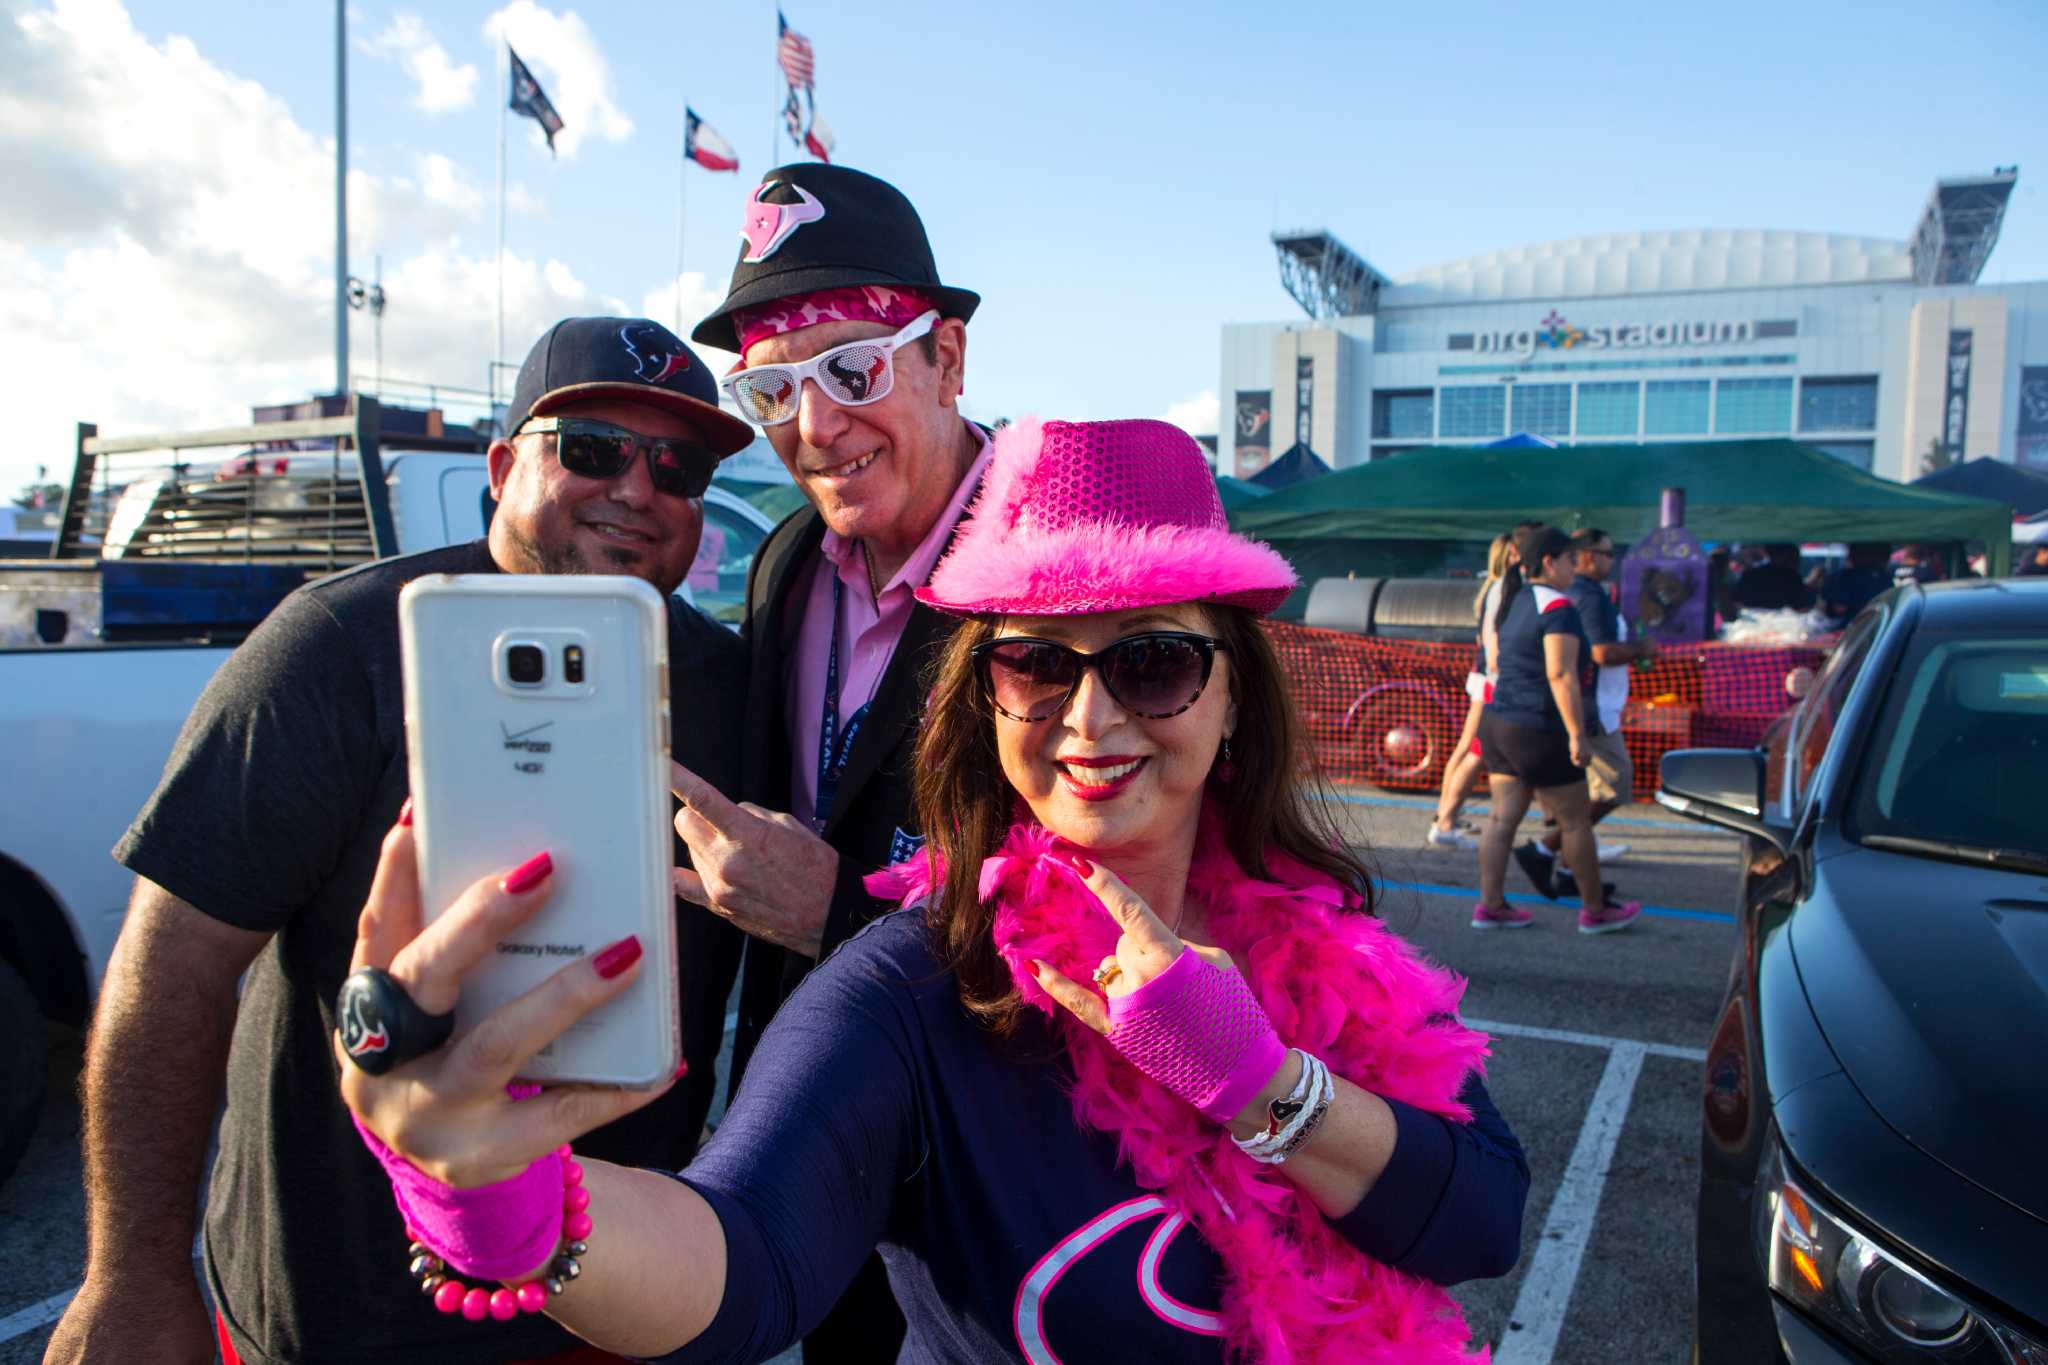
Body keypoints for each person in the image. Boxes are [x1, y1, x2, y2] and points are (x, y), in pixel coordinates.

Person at [334, 416, 1527, 1363]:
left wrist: (1261, 1085)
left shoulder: (1322, 935)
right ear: (986, 698)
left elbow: (1478, 1221)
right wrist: (499, 1202)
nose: (1091, 720)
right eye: (1036, 663)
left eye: (1153, 661)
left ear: (1229, 698)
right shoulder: (911, 988)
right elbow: (746, 1263)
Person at [46, 318, 756, 1365]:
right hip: (330, 1316)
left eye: (676, 466)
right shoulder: (339, 649)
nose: (638, 490)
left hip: (602, 1309)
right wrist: (132, 1275)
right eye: (595, 450)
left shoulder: (729, 686)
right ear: (505, 466)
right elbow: (174, 965)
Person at [667, 163, 989, 1356]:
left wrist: (839, 915)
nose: (814, 428)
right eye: (769, 390)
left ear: (945, 359)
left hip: (988, 1152)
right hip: (808, 1128)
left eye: (852, 370)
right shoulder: (789, 557)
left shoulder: (1054, 580)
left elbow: (1134, 923)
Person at [1473, 525, 1642, 934]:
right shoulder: (1558, 607)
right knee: (1575, 822)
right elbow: (1561, 674)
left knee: (1501, 819)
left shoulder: (1513, 599)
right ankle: (1595, 910)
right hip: (1539, 727)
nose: (1574, 567)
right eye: (1570, 559)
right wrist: (1577, 734)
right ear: (1549, 562)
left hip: (1499, 721)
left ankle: (1490, 906)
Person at [1513, 528, 1656, 901]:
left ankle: (1562, 864)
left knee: (1583, 800)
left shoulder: (1569, 596)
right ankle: (1551, 856)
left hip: (1587, 709)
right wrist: (1639, 648)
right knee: (1604, 791)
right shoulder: (1580, 599)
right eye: (1607, 554)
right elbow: (1595, 656)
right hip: (1588, 711)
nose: (1612, 561)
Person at [1425, 529, 1518, 850]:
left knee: (1468, 748)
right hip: (1489, 678)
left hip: (1483, 676)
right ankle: (1445, 820)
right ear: (1506, 556)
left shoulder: (1493, 586)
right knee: (1473, 751)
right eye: (1516, 553)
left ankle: (1444, 817)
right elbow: (1492, 641)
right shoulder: (1503, 587)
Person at [1729, 542, 1816, 612]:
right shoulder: (1791, 577)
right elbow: (1802, 607)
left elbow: (1736, 602)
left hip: (1750, 627)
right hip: (1782, 627)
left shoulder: (1750, 574)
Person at [1821, 541, 1893, 623]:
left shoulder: (1844, 577)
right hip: (1879, 625)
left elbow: (1839, 608)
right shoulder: (1885, 578)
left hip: (1853, 627)